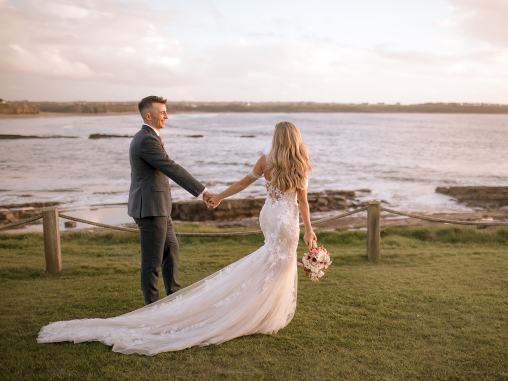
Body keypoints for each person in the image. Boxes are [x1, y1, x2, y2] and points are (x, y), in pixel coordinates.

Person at [37, 121, 316, 356]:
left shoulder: (266, 160)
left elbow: (244, 183)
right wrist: (310, 230)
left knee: (270, 261)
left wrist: (219, 195)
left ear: (277, 139)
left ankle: (261, 310)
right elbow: (303, 203)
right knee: (279, 264)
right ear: (295, 139)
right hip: (286, 220)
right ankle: (263, 314)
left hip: (269, 216)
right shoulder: (300, 163)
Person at [127, 96, 214, 304]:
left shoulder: (149, 136)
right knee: (152, 261)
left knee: (171, 251)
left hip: (159, 208)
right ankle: (153, 306)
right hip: (150, 209)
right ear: (149, 115)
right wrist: (203, 191)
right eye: (162, 112)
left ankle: (174, 298)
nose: (167, 115)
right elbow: (171, 167)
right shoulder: (146, 139)